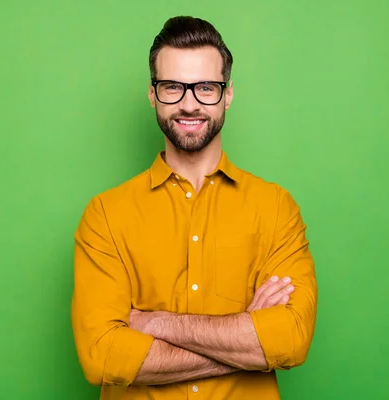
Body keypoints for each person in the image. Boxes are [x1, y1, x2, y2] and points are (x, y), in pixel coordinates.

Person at [71, 15, 318, 400]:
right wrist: (248, 340)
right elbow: (101, 357)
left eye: (205, 87)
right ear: (153, 94)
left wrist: (154, 324)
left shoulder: (276, 208)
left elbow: (291, 340)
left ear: (228, 94)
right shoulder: (105, 215)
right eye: (172, 87)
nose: (189, 104)